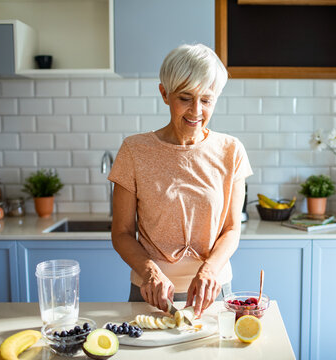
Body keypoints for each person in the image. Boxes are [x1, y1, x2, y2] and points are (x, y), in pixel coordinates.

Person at [108, 44, 253, 317]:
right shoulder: (134, 150)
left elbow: (232, 229)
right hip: (150, 292)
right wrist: (151, 273)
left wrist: (209, 271)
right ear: (164, 93)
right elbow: (122, 233)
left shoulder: (231, 150)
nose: (196, 111)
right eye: (185, 98)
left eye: (207, 100)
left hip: (214, 290)